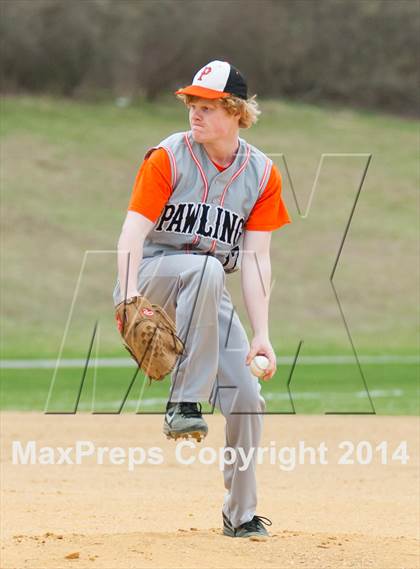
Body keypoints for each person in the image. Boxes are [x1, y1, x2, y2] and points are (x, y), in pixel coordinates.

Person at [113, 60, 291, 538]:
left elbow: (256, 260)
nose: (194, 112)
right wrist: (129, 294)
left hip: (206, 291)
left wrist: (262, 335)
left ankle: (240, 515)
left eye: (207, 105)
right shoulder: (169, 156)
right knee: (206, 268)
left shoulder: (261, 174)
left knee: (248, 398)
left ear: (235, 111)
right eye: (192, 103)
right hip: (152, 279)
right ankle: (185, 401)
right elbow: (133, 231)